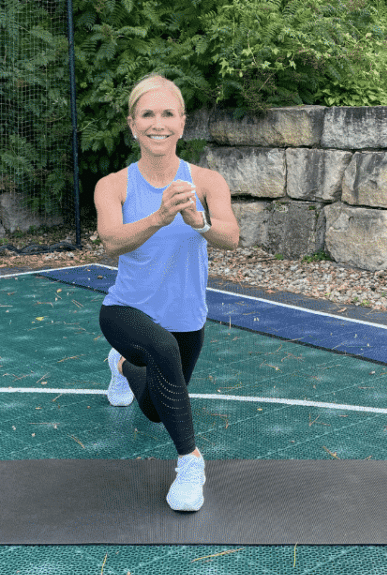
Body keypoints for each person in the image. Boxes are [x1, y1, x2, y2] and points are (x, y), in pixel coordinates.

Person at [95, 73, 239, 512]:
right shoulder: (114, 184)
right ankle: (190, 463)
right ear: (133, 125)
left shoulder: (207, 181)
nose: (158, 123)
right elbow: (112, 240)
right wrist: (159, 217)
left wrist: (200, 222)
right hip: (126, 310)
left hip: (186, 317)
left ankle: (120, 365)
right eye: (148, 114)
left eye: (168, 114)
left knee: (158, 410)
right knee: (158, 346)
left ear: (182, 123)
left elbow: (231, 238)